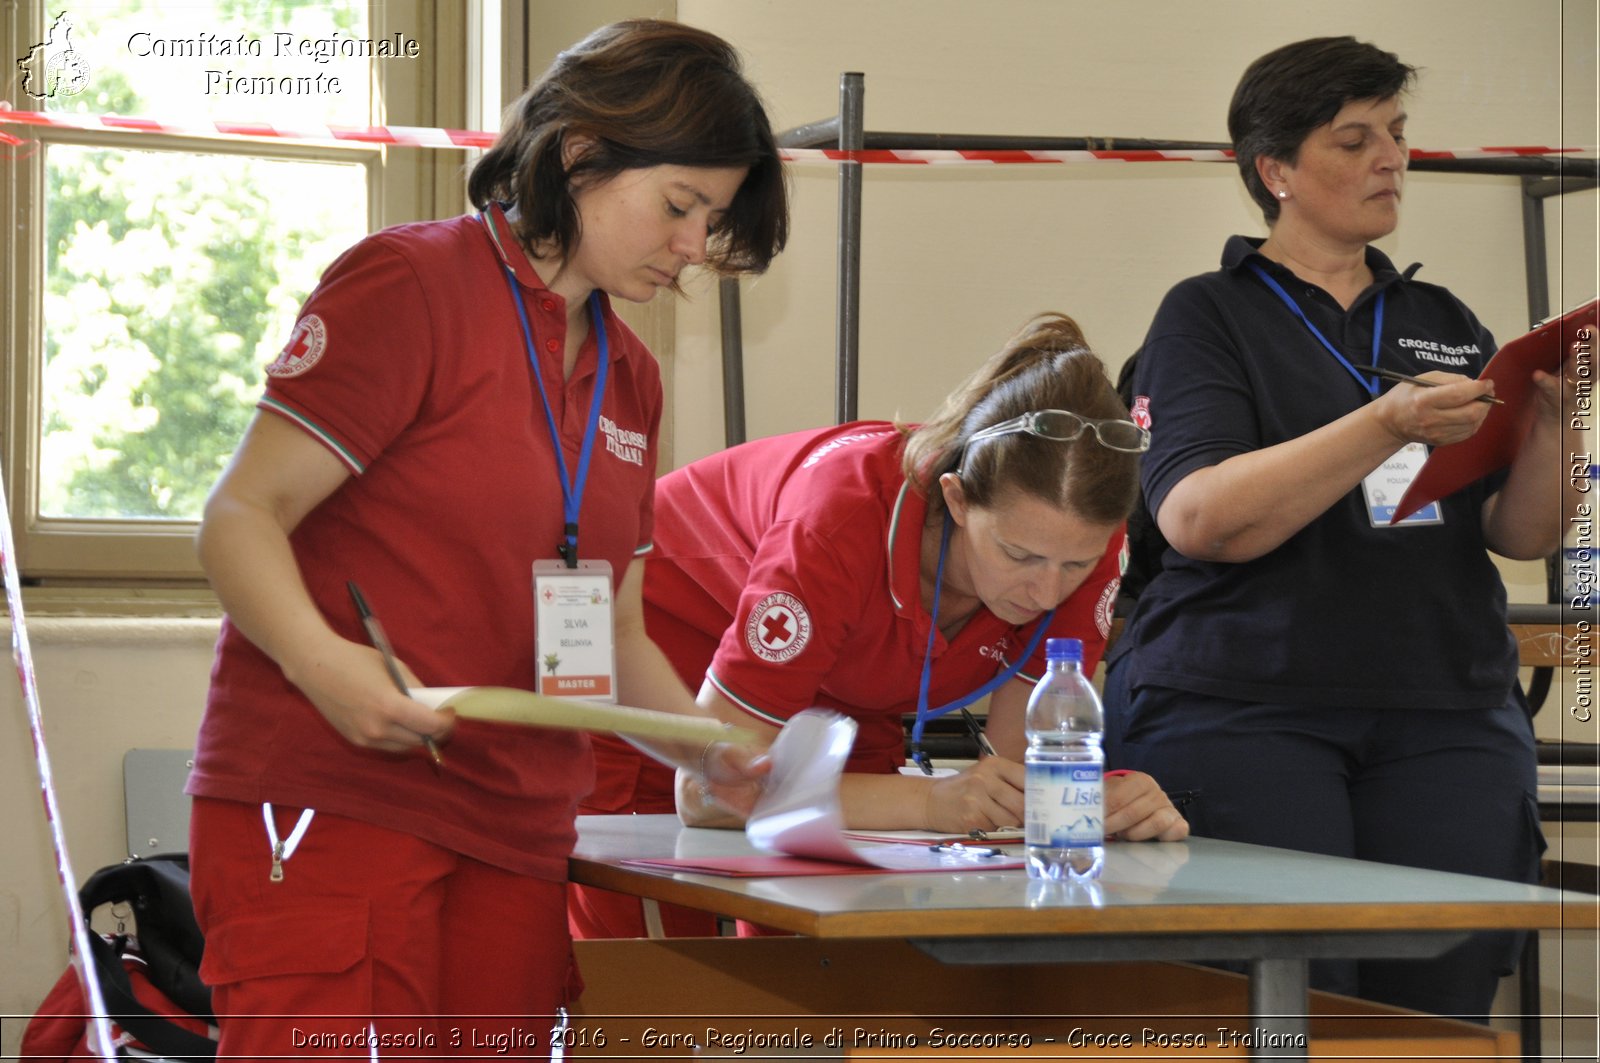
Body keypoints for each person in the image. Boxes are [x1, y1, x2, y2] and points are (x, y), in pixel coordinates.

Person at [184, 19, 787, 1056]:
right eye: (679, 205)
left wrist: (703, 745)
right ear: (578, 154)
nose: (694, 245)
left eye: (714, 216)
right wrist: (326, 664)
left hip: (514, 829)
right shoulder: (410, 287)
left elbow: (611, 629)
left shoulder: (629, 374)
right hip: (337, 798)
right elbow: (240, 517)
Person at [1101, 36, 1581, 1020]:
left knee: (1435, 1014)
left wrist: (1561, 420)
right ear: (1274, 170)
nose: (1390, 159)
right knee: (1290, 1007)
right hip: (1244, 704)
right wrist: (1384, 422)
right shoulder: (1206, 316)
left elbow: (1518, 532)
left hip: (1443, 706)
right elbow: (1197, 518)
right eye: (1353, 139)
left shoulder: (1441, 316)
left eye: (1397, 135)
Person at [570, 313, 1191, 939]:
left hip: (844, 699)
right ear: (955, 499)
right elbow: (706, 797)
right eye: (1019, 556)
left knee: (837, 953)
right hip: (670, 666)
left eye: (1076, 564)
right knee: (656, 968)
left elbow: (1012, 788)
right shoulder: (839, 522)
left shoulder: (1079, 534)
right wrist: (928, 801)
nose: (1049, 590)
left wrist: (1100, 803)